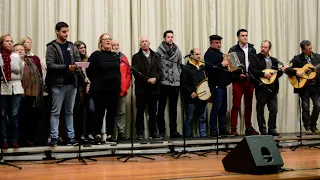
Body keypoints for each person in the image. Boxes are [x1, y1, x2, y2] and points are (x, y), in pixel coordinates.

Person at [45, 22, 80, 146]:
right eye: (63, 32)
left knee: (69, 112)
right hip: (58, 84)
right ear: (57, 32)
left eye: (67, 32)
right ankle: (54, 137)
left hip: (72, 83)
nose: (66, 34)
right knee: (55, 112)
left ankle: (71, 137)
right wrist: (66, 67)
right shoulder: (51, 47)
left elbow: (78, 60)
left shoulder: (71, 46)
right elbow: (50, 65)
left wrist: (78, 66)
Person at [87, 33, 121, 144]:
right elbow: (89, 71)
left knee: (112, 113)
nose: (108, 41)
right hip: (100, 89)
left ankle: (110, 134)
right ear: (100, 42)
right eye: (105, 39)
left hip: (114, 89)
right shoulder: (96, 55)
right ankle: (97, 133)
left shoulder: (115, 56)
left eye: (109, 39)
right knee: (99, 112)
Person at [283, 40, 320, 135]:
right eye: (308, 49)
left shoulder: (317, 57)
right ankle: (307, 127)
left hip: (316, 86)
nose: (310, 50)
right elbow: (286, 69)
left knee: (318, 105)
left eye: (311, 48)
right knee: (305, 107)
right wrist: (296, 72)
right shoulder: (297, 59)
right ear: (303, 50)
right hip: (303, 87)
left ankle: (313, 125)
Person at [228, 29, 259, 136]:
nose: (245, 37)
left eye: (246, 35)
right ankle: (233, 129)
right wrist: (237, 75)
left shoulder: (252, 49)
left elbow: (255, 64)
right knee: (236, 104)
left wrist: (253, 75)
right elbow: (231, 66)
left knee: (249, 105)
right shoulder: (233, 49)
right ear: (238, 37)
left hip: (249, 80)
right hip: (238, 81)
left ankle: (248, 127)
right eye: (242, 35)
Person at [249, 40, 282, 136]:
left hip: (273, 88)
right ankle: (263, 129)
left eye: (265, 47)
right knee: (260, 110)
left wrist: (281, 70)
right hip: (261, 87)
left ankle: (272, 128)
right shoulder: (255, 58)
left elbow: (277, 74)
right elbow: (252, 70)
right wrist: (263, 74)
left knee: (273, 109)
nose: (263, 49)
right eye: (262, 47)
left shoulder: (274, 60)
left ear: (269, 49)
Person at [132, 36, 162, 140]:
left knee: (153, 112)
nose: (144, 43)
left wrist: (155, 78)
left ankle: (154, 132)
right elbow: (136, 72)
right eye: (142, 42)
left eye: (146, 41)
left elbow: (160, 71)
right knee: (140, 112)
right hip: (142, 89)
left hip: (154, 89)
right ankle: (139, 133)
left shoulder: (156, 56)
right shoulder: (136, 57)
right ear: (140, 44)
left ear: (149, 43)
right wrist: (147, 79)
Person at [14, 44, 43, 146]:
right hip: (17, 93)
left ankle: (28, 138)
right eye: (17, 50)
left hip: (31, 93)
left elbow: (37, 76)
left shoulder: (30, 61)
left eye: (22, 49)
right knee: (20, 117)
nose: (20, 51)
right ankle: (18, 139)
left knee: (30, 117)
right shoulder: (13, 63)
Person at [204, 35, 232, 137]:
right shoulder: (209, 54)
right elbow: (209, 68)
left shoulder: (221, 54)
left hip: (222, 85)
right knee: (216, 107)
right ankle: (213, 130)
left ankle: (222, 129)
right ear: (211, 43)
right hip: (215, 85)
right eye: (216, 43)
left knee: (223, 108)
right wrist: (222, 64)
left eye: (220, 43)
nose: (219, 44)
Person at [156, 30, 182, 138]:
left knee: (173, 108)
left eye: (172, 37)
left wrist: (177, 75)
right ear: (164, 39)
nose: (170, 38)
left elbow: (180, 66)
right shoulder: (159, 51)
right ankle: (161, 131)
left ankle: (173, 131)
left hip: (175, 83)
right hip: (164, 82)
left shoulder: (177, 51)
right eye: (168, 37)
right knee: (161, 107)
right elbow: (157, 66)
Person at [0, 34, 24, 149]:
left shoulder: (16, 56)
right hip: (3, 87)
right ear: (2, 43)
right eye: (6, 41)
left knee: (14, 115)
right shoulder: (0, 55)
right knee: (3, 115)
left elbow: (21, 72)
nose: (10, 43)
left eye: (11, 41)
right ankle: (3, 140)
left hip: (16, 87)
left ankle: (14, 139)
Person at [181, 48, 207, 137]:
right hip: (191, 97)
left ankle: (203, 137)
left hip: (202, 97)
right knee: (189, 118)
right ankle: (187, 138)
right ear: (191, 55)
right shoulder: (186, 68)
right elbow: (183, 83)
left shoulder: (203, 67)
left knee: (202, 118)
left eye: (199, 54)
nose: (199, 56)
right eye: (196, 54)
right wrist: (191, 92)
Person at [74, 40, 95, 142]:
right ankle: (79, 134)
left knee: (91, 110)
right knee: (79, 112)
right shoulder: (73, 61)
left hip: (88, 89)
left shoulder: (88, 60)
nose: (83, 49)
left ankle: (89, 132)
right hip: (78, 90)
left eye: (84, 47)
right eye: (81, 48)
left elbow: (91, 74)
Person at [112, 40, 131, 140]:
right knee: (110, 112)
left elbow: (128, 73)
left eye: (117, 45)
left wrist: (126, 86)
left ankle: (121, 132)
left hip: (122, 90)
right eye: (114, 45)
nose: (116, 47)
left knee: (121, 112)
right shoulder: (109, 57)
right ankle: (109, 133)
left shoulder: (124, 58)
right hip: (111, 90)